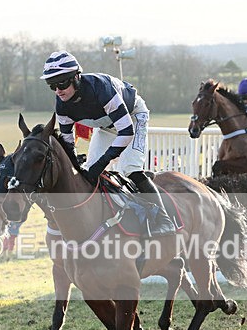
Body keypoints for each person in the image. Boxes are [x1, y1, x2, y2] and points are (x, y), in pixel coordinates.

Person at [41, 50, 175, 237]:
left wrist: (103, 162)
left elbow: (126, 131)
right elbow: (68, 145)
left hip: (133, 118)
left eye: (62, 82)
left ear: (76, 77)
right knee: (89, 173)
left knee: (130, 168)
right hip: (105, 126)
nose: (58, 90)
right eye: (52, 85)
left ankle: (164, 219)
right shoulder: (62, 104)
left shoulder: (101, 89)